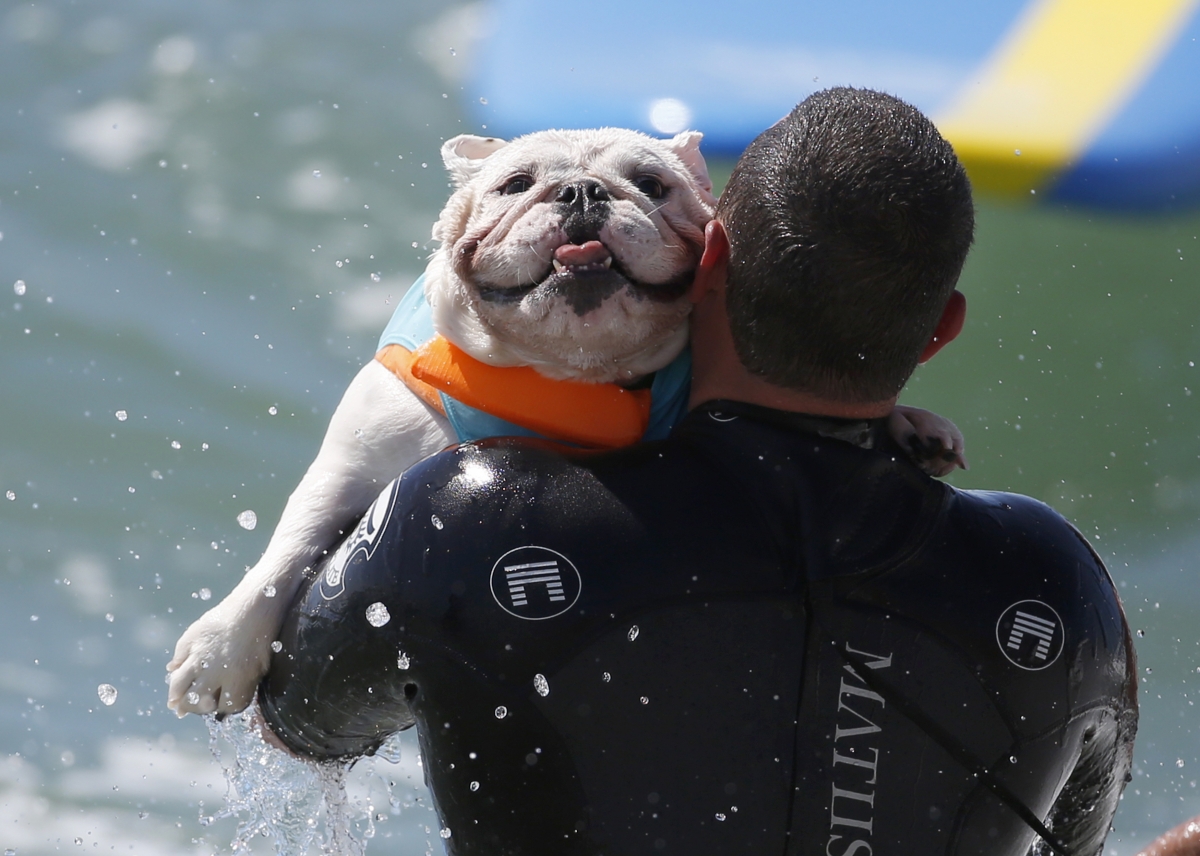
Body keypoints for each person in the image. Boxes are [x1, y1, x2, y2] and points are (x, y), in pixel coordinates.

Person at [257, 88, 1138, 856]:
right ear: (941, 329)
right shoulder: (1052, 579)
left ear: (708, 260)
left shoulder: (479, 519)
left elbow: (296, 719)